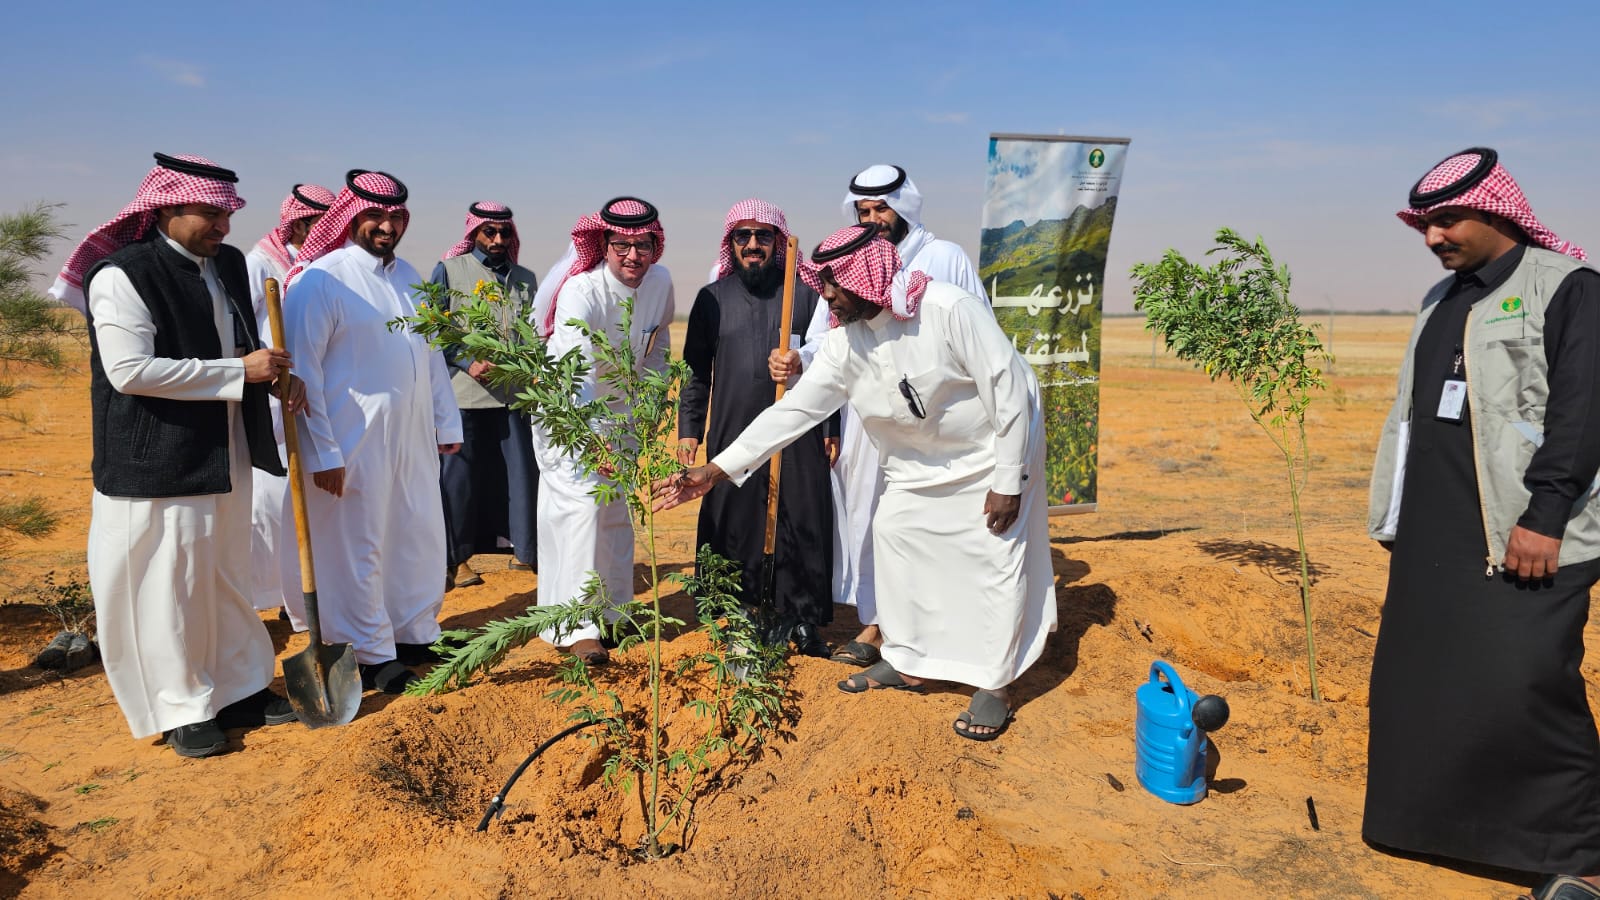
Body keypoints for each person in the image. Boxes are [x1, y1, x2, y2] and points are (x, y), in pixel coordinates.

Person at [657, 225, 1056, 741]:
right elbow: (795, 410)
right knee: (894, 533)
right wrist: (716, 469)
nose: (825, 297)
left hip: (992, 448)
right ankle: (907, 657)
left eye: (834, 285)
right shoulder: (848, 344)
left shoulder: (949, 309)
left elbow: (1007, 387)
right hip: (918, 461)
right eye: (820, 284)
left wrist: (1009, 477)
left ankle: (994, 683)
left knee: (993, 553)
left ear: (868, 278)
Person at [1364, 147, 1600, 897]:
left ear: (1499, 211)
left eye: (1448, 220)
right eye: (1424, 225)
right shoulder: (1442, 299)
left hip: (1527, 528)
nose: (1434, 237)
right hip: (1439, 527)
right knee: (1431, 684)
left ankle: (1582, 858)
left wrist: (1547, 516)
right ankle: (1440, 832)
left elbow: (1582, 414)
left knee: (1528, 682)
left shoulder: (1569, 289)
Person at [69, 153, 304, 757]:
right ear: (167, 206)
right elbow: (129, 371)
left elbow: (243, 343)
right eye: (211, 213)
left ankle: (241, 687)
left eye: (228, 214)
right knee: (167, 584)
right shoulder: (121, 275)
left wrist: (272, 375)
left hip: (225, 449)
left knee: (225, 574)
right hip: (158, 460)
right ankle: (182, 706)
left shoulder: (225, 264)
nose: (223, 227)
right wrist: (238, 370)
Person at [781, 165, 990, 667]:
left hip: (933, 415)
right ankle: (877, 621)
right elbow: (824, 337)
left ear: (904, 207)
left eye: (881, 209)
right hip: (865, 410)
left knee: (928, 514)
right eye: (864, 210)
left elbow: (979, 329)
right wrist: (798, 361)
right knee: (870, 515)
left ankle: (931, 623)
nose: (873, 219)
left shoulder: (944, 258)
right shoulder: (848, 257)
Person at [281, 170, 463, 694]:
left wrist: (445, 422)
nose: (386, 226)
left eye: (396, 218)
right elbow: (303, 375)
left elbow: (431, 359)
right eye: (375, 216)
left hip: (411, 436)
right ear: (351, 215)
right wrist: (322, 452)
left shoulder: (411, 278)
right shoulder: (322, 279)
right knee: (359, 546)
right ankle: (368, 652)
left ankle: (414, 632)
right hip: (351, 438)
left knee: (417, 533)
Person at [677, 199, 834, 657]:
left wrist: (831, 428)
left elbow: (830, 363)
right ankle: (740, 612)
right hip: (732, 427)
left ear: (779, 244)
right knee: (738, 520)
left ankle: (802, 618)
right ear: (731, 243)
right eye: (742, 237)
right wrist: (690, 426)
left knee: (801, 519)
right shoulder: (712, 298)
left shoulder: (805, 297)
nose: (752, 245)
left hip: (799, 430)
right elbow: (695, 370)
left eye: (763, 237)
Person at [526, 197, 675, 665]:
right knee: (582, 511)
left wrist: (652, 402)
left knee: (614, 513)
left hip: (623, 414)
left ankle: (612, 613)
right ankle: (576, 626)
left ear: (655, 245)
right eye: (621, 245)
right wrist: (595, 439)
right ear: (603, 246)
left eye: (642, 245)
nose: (632, 256)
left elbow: (658, 343)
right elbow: (576, 376)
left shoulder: (662, 282)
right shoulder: (581, 292)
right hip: (569, 416)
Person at [429, 201, 541, 590]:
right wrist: (465, 360)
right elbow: (434, 328)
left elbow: (534, 333)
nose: (497, 239)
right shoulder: (450, 271)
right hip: (464, 394)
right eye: (488, 232)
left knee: (521, 473)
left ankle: (524, 552)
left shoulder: (524, 278)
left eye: (504, 232)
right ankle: (457, 561)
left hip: (515, 395)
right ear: (473, 233)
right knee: (458, 480)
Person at [244, 183, 334, 613]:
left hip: (310, 394)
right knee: (270, 501)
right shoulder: (259, 263)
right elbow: (241, 332)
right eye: (322, 222)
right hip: (269, 399)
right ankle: (268, 598)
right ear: (298, 222)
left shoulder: (320, 266)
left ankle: (298, 595)